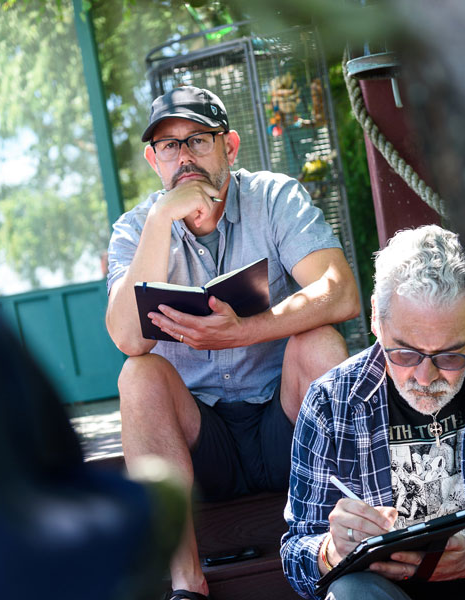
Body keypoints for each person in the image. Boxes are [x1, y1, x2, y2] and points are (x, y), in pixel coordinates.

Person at [105, 85, 360, 600]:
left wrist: (246, 329)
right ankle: (186, 584)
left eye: (197, 140)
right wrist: (161, 221)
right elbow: (128, 338)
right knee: (139, 374)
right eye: (170, 147)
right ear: (153, 161)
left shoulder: (274, 197)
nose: (184, 159)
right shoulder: (135, 229)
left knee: (320, 340)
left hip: (285, 423)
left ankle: (351, 546)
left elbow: (341, 292)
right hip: (202, 442)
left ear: (231, 146)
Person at [281, 225, 465, 600]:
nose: (425, 375)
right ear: (375, 320)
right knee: (351, 592)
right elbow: (295, 555)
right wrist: (331, 550)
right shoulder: (331, 403)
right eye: (404, 353)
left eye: (450, 355)